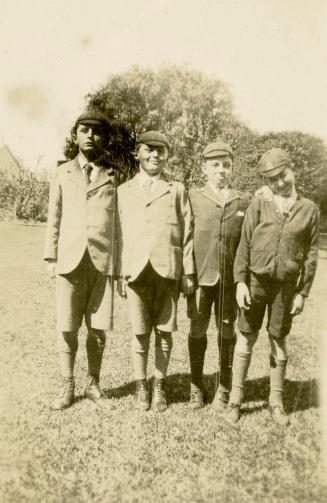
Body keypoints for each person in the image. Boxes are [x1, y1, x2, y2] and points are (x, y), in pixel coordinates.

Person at [226, 148, 319, 425]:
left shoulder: (309, 209)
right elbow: (244, 244)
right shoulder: (259, 203)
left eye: (283, 175)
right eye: (272, 179)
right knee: (246, 337)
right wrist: (240, 282)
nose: (279, 183)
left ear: (293, 170)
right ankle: (235, 399)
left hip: (286, 287)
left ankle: (276, 402)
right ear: (266, 182)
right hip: (255, 282)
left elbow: (312, 255)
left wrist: (302, 293)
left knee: (278, 339)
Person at [44, 109, 117, 410]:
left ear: (104, 138)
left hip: (102, 262)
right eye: (84, 130)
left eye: (96, 132)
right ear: (75, 135)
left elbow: (120, 224)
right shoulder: (62, 172)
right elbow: (54, 217)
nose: (90, 136)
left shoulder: (114, 174)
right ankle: (67, 386)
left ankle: (94, 385)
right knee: (67, 327)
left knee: (98, 328)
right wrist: (51, 256)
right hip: (69, 260)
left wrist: (120, 267)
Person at [116, 131, 195, 412]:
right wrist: (119, 274)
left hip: (168, 271)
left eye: (161, 150)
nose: (155, 155)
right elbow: (119, 236)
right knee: (139, 334)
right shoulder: (123, 191)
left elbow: (187, 235)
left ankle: (159, 385)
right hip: (136, 271)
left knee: (164, 332)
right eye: (149, 149)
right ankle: (141, 385)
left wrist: (187, 273)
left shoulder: (176, 190)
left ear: (167, 156)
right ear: (138, 153)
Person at [187, 140, 251, 410]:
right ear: (205, 168)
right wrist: (187, 273)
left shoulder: (243, 201)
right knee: (197, 329)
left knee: (226, 330)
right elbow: (186, 238)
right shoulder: (193, 197)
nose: (222, 171)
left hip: (229, 281)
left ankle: (224, 386)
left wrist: (241, 281)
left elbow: (247, 243)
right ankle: (196, 385)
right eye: (215, 166)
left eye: (226, 165)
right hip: (201, 278)